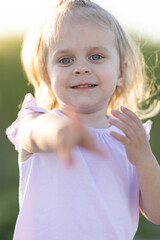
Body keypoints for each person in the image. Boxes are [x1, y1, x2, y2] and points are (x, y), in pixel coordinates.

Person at [6, 0, 160, 239]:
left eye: (96, 56)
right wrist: (63, 134)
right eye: (65, 60)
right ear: (47, 77)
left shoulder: (128, 138)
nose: (81, 68)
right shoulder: (36, 119)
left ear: (121, 72)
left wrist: (144, 158)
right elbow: (35, 133)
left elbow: (157, 212)